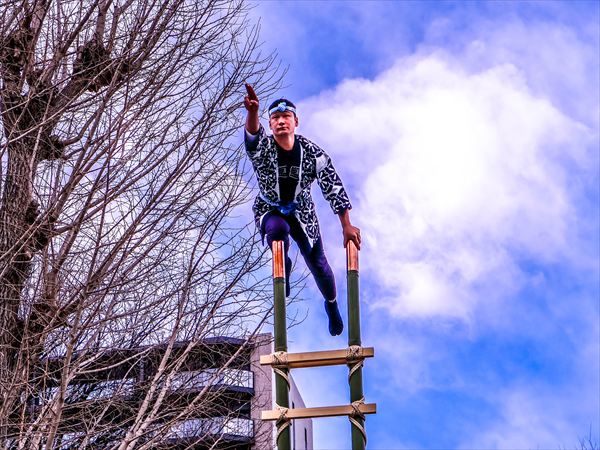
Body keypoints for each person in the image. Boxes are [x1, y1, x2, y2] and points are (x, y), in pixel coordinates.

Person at [243, 83, 361, 336]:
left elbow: (333, 186)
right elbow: (252, 138)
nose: (281, 122)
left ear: (295, 121)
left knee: (318, 264)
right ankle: (283, 264)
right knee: (277, 230)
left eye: (286, 116)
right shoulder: (264, 149)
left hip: (302, 211)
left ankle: (331, 305)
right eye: (275, 118)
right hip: (270, 207)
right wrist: (252, 113)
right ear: (270, 124)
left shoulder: (312, 153)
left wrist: (346, 226)